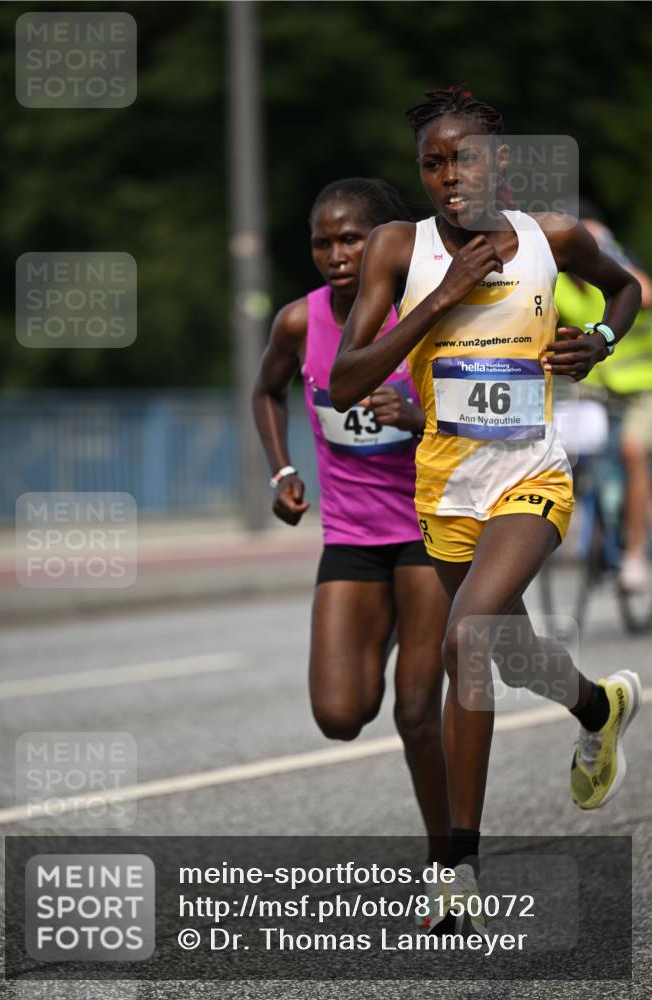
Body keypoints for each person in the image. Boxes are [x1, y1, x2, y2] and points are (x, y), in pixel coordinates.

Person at [329, 88, 642, 928]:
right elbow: (346, 377)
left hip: (530, 476)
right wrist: (438, 299)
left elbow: (625, 291)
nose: (447, 176)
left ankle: (456, 864)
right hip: (445, 486)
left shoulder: (555, 238)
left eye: (462, 157)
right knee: (505, 652)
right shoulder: (399, 247)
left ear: (497, 161)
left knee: (466, 640)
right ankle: (597, 705)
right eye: (431, 162)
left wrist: (600, 344)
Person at [252, 178, 451, 869]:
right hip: (353, 538)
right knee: (340, 716)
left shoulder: (427, 310)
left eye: (351, 238)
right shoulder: (299, 323)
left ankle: (448, 865)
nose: (336, 253)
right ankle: (393, 620)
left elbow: (488, 412)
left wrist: (424, 419)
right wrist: (281, 471)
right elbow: (265, 391)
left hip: (430, 534)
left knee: (416, 713)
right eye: (322, 241)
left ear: (387, 241)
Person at [555, 201, 652, 592]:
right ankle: (580, 514)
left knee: (631, 450)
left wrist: (610, 255)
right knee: (567, 445)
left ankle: (633, 555)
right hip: (597, 392)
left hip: (645, 388)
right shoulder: (560, 283)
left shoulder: (617, 272)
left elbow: (643, 294)